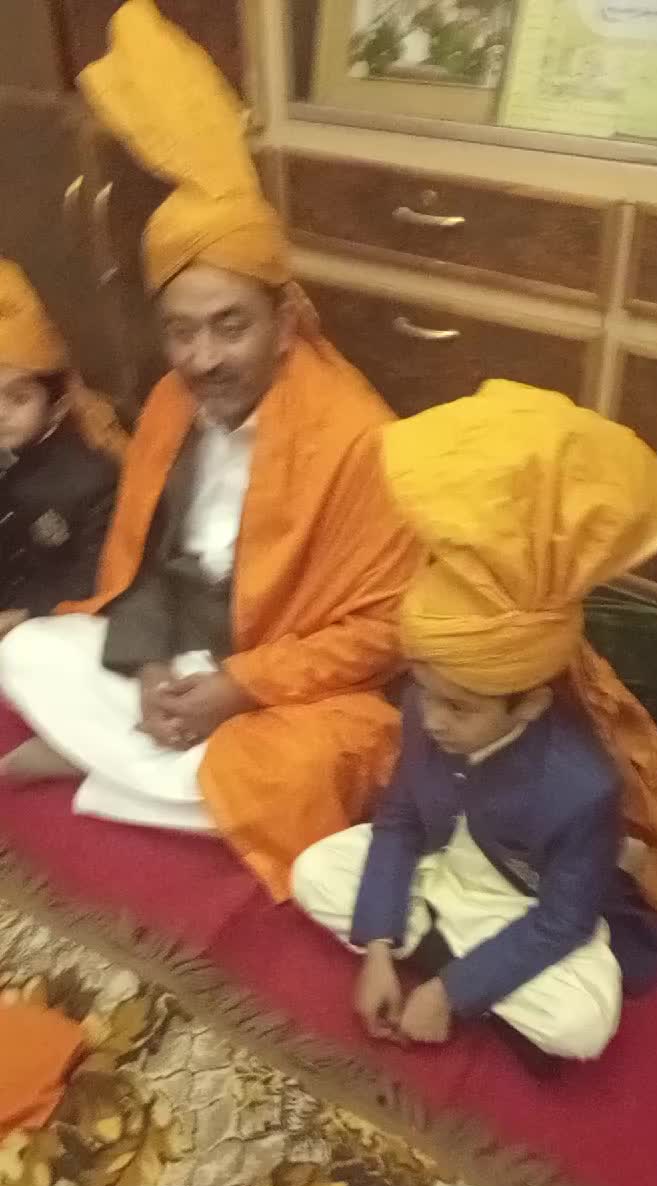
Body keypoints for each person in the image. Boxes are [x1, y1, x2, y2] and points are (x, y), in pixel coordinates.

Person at [0, 0, 417, 902]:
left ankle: (106, 769)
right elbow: (144, 562)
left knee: (315, 769)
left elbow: (383, 631)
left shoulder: (360, 436)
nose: (203, 358)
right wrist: (151, 661)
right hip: (188, 653)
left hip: (286, 688)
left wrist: (239, 685)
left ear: (284, 321)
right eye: (182, 331)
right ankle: (157, 767)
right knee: (27, 651)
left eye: (231, 326)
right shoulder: (169, 403)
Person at [294, 380, 657, 1059]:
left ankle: (445, 960)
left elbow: (563, 918)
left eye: (460, 708)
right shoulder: (423, 713)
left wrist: (452, 991)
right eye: (424, 693)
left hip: (519, 905)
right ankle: (423, 946)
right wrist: (375, 945)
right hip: (437, 870)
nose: (432, 720)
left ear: (531, 703)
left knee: (582, 1025)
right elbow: (400, 821)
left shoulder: (582, 786)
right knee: (312, 871)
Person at [0, 260, 123, 637]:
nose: (0, 413)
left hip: (58, 628)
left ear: (58, 404)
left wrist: (28, 615)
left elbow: (99, 577)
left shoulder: (93, 477)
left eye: (18, 398)